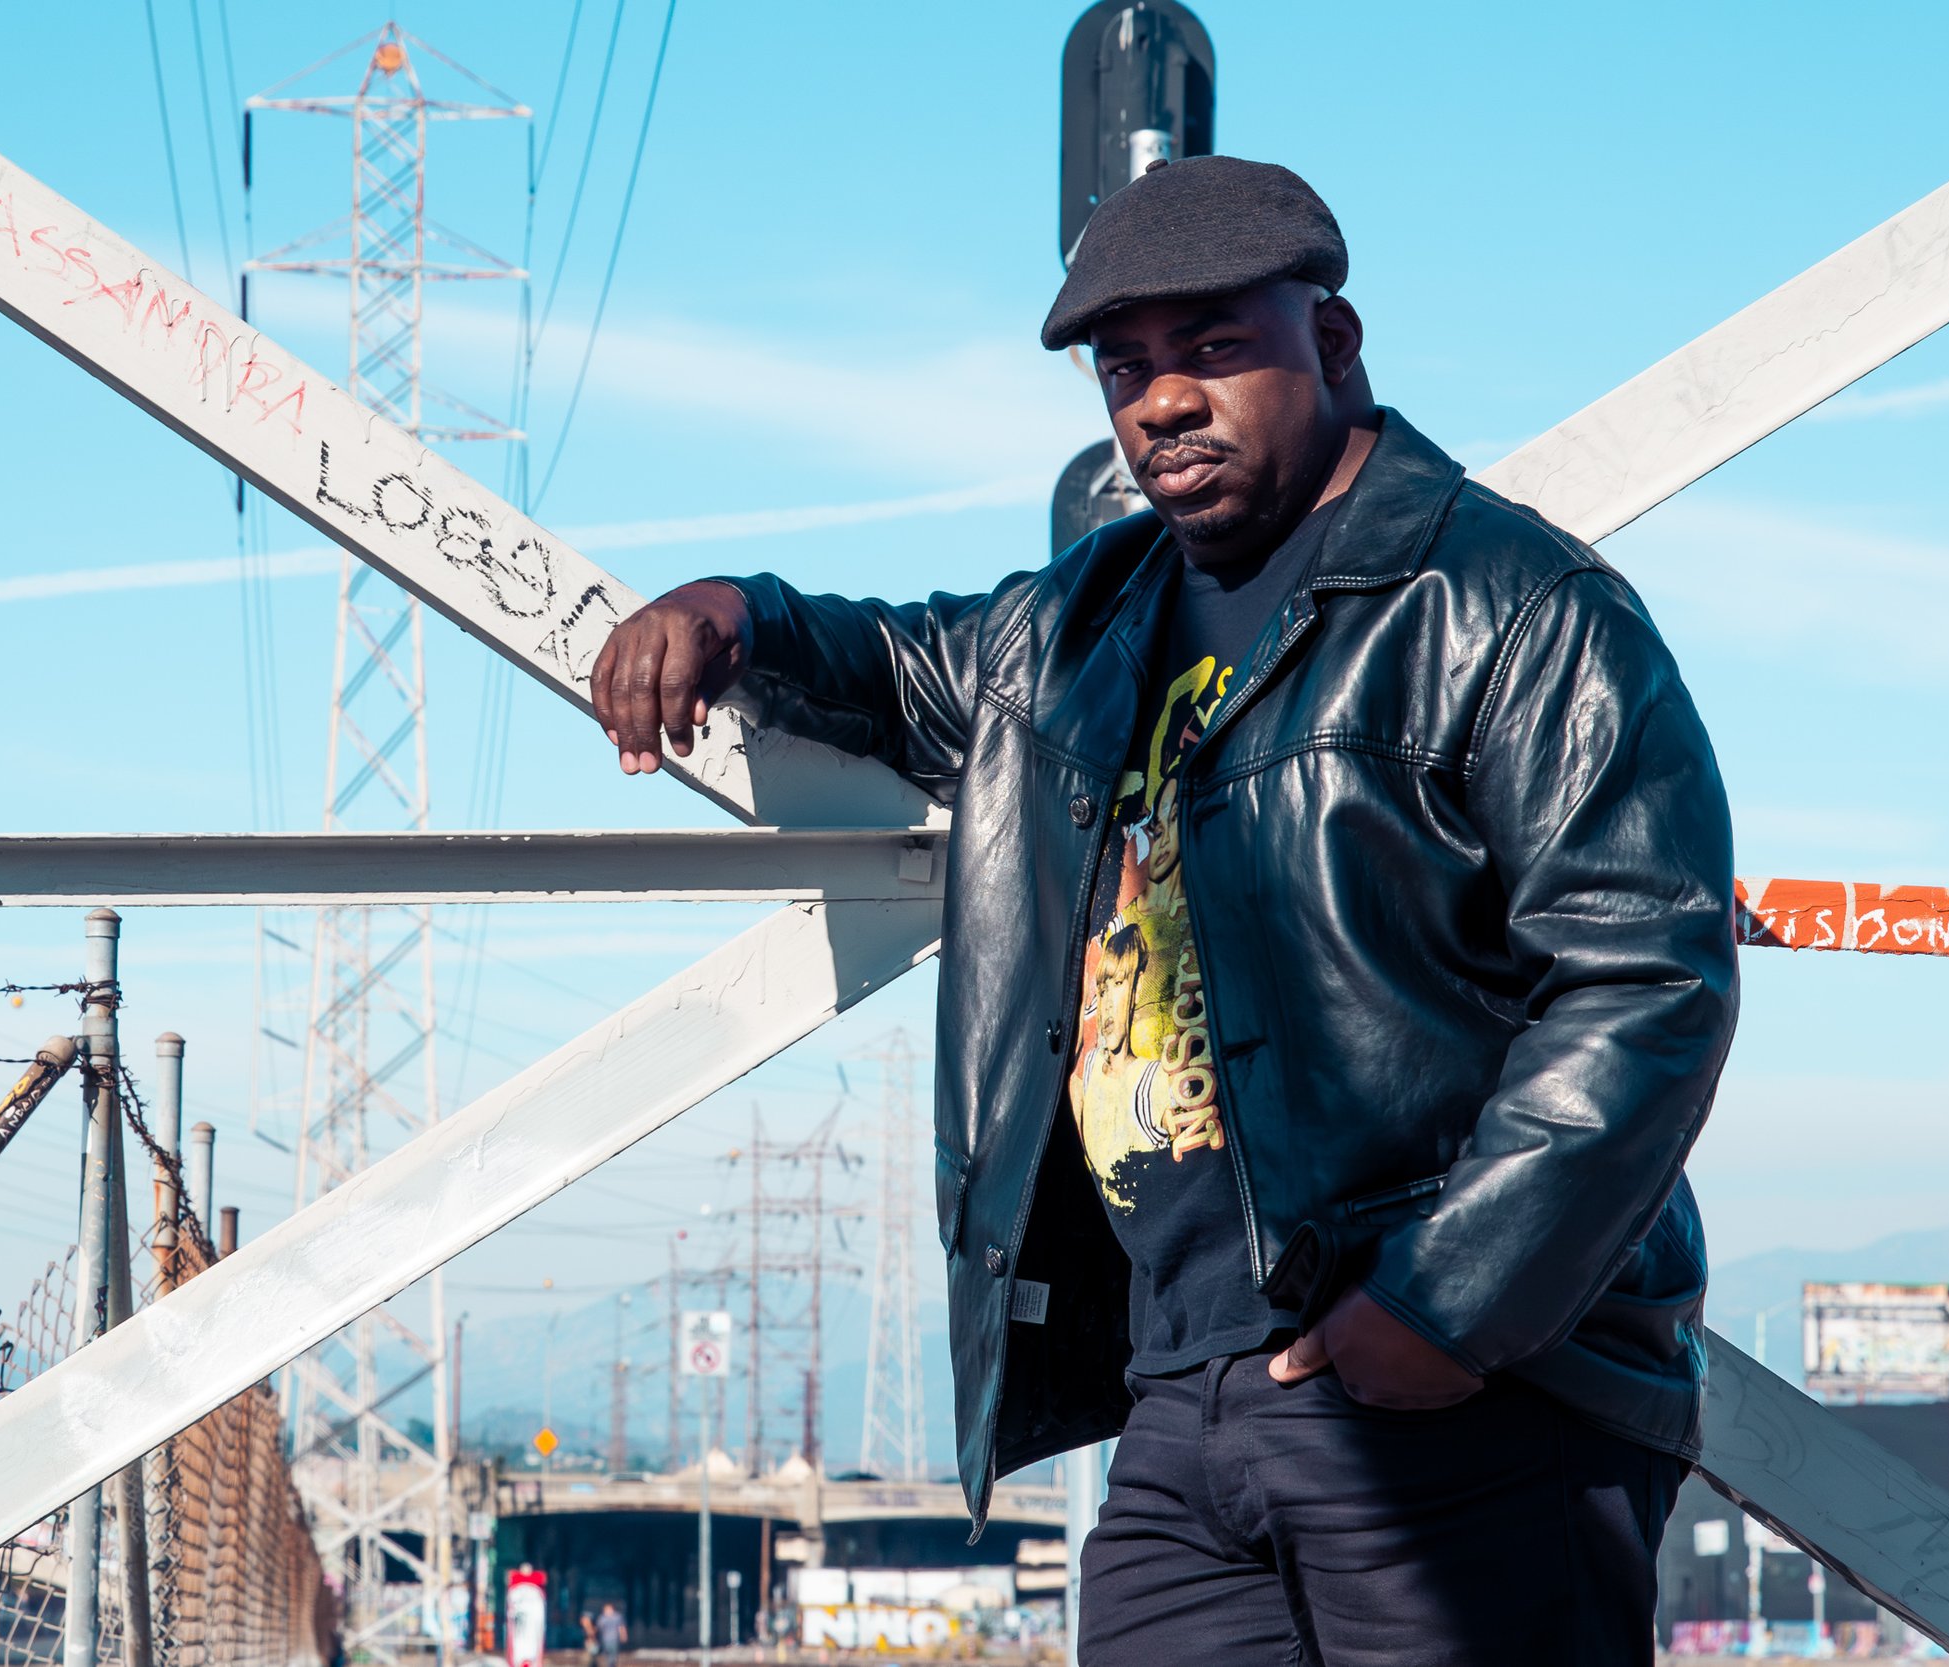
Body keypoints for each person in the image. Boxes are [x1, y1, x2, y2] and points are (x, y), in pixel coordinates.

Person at [588, 156, 1736, 1666]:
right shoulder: (1079, 623)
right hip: (1184, 1392)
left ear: (1334, 342)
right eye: (1124, 369)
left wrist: (1444, 1307)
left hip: (1467, 1388)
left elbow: (1646, 977)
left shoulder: (1512, 605)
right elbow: (888, 663)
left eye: (1212, 346)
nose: (1161, 403)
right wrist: (724, 610)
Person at [592, 1599, 626, 1667]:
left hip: (614, 1638)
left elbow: (621, 1627)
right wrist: (592, 1635)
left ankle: (611, 1665)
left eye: (608, 1609)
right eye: (606, 1609)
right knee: (606, 1653)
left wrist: (623, 1635)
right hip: (605, 1639)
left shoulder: (617, 1617)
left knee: (613, 1654)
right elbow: (598, 1627)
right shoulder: (602, 1618)